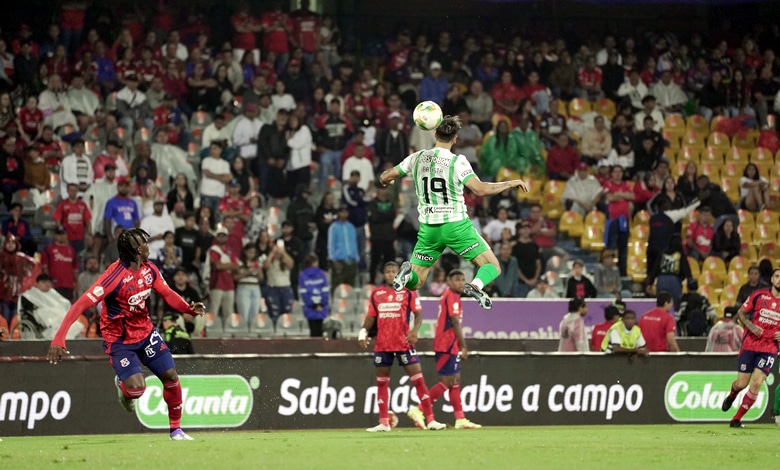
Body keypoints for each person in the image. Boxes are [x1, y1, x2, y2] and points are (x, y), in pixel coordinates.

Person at [47, 228, 206, 441]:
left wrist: (187, 308)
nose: (149, 246)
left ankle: (176, 431)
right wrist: (59, 337)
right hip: (120, 340)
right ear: (138, 249)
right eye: (145, 243)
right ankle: (123, 386)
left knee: (171, 376)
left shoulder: (150, 269)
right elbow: (81, 303)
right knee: (137, 390)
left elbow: (167, 293)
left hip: (146, 332)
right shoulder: (113, 277)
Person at [378, 115, 529, 310]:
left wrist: (386, 181)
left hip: (429, 230)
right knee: (492, 266)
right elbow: (480, 190)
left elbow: (385, 176)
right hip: (456, 226)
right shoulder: (458, 161)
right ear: (455, 138)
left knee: (417, 281)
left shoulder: (416, 158)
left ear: (434, 134)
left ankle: (406, 272)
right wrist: (511, 182)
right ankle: (475, 285)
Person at [359, 262, 446, 432]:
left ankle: (431, 420)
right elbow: (371, 317)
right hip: (383, 344)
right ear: (384, 274)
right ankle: (384, 422)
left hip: (403, 342)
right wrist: (363, 331)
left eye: (394, 271)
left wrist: (415, 330)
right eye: (388, 271)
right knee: (382, 384)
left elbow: (418, 314)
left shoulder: (408, 291)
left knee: (419, 381)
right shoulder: (377, 294)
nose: (391, 274)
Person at [410, 269, 481, 428]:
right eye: (456, 280)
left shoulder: (453, 296)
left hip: (451, 344)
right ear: (449, 282)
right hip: (446, 344)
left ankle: (460, 418)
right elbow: (455, 322)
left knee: (455, 380)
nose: (460, 283)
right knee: (446, 381)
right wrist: (464, 345)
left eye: (463, 280)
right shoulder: (451, 296)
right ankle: (419, 409)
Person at [721, 268, 780, 428]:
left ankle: (736, 419)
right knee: (742, 384)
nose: (779, 279)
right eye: (777, 276)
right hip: (750, 344)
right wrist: (750, 325)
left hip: (769, 348)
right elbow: (741, 313)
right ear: (772, 279)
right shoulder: (759, 295)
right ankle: (733, 394)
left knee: (756, 383)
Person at [299, 253, 330, 337]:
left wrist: (313, 305)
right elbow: (325, 291)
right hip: (321, 308)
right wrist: (321, 304)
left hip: (310, 309)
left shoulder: (302, 275)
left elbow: (304, 294)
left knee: (313, 332)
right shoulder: (321, 274)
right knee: (320, 331)